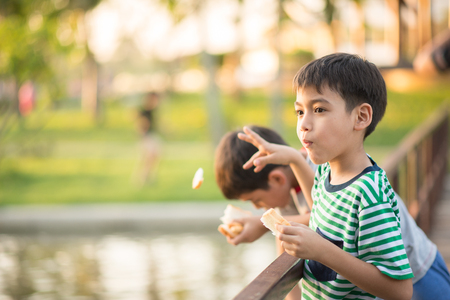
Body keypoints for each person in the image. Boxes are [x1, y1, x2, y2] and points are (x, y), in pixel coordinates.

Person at [237, 53, 414, 299]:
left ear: (360, 117)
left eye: (319, 109)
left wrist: (322, 251)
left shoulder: (369, 193)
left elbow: (400, 290)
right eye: (300, 112)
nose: (303, 124)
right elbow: (321, 209)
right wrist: (295, 158)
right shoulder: (326, 171)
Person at [215, 125, 450, 300]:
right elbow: (294, 238)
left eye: (256, 200)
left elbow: (324, 217)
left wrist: (260, 223)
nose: (260, 208)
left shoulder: (323, 167)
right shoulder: (287, 196)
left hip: (417, 268)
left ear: (276, 178)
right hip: (373, 277)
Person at [135, 92, 162, 185]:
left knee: (153, 157)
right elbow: (139, 125)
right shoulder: (143, 111)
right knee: (149, 157)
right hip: (147, 137)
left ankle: (147, 176)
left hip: (151, 136)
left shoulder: (152, 111)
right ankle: (144, 176)